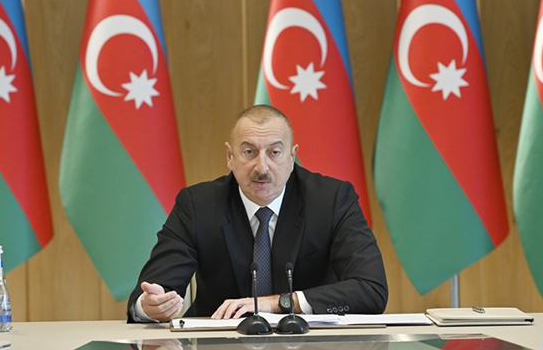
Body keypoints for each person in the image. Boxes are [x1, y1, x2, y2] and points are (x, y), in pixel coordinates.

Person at [127, 105, 387, 322]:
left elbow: (371, 289)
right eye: (249, 152)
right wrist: (149, 307)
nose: (261, 167)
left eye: (275, 153)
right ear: (230, 156)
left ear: (292, 157)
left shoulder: (331, 201)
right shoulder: (198, 205)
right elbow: (153, 291)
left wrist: (279, 303)